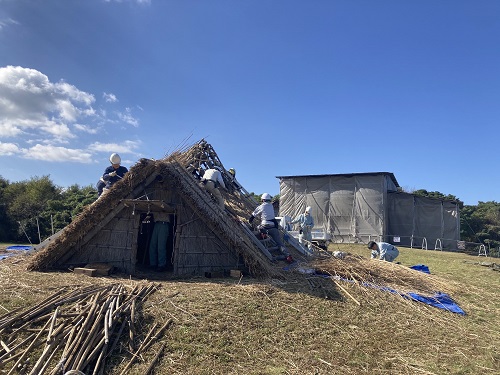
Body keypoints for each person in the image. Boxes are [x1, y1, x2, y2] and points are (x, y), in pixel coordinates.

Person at [249, 193, 293, 263]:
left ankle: (262, 234)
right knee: (279, 243)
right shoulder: (271, 206)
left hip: (264, 226)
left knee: (258, 227)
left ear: (263, 200)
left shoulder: (261, 206)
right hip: (273, 227)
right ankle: (288, 256)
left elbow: (253, 215)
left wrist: (250, 221)